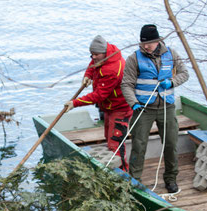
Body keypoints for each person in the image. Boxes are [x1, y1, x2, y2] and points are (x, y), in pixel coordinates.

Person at [121, 24, 189, 193]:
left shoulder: (171, 54)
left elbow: (184, 74)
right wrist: (133, 103)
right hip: (143, 108)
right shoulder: (134, 58)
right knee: (139, 144)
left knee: (171, 144)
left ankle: (171, 178)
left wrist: (172, 82)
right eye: (143, 43)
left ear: (158, 41)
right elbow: (126, 84)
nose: (146, 46)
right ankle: (135, 180)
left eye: (149, 43)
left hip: (167, 107)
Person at [65, 35, 132, 171]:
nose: (93, 57)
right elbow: (93, 64)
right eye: (92, 54)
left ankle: (124, 175)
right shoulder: (105, 56)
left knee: (115, 144)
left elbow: (99, 95)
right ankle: (113, 171)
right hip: (109, 107)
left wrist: (75, 103)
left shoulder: (113, 69)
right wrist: (88, 75)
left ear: (104, 53)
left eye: (96, 54)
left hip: (120, 108)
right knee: (108, 137)